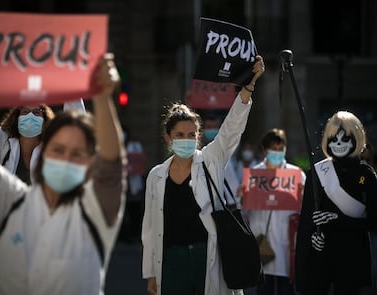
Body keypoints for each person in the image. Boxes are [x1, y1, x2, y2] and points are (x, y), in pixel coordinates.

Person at [0, 53, 126, 295]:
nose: (63, 159)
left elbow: (109, 164)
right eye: (58, 151)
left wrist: (99, 97)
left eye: (72, 154)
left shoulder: (93, 208)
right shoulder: (11, 192)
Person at [141, 55, 265, 295]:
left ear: (198, 136)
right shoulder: (156, 176)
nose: (186, 140)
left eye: (191, 134)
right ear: (167, 138)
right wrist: (151, 273)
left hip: (206, 257)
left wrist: (248, 87)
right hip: (171, 262)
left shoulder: (211, 159)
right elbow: (149, 229)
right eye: (179, 135)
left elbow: (232, 129)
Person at [295, 110, 377, 295]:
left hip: (353, 257)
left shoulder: (366, 175)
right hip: (321, 256)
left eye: (344, 139)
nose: (338, 144)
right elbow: (307, 221)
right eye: (334, 139)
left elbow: (373, 221)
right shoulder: (317, 173)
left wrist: (338, 219)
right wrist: (312, 239)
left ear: (357, 138)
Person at [244, 128, 306, 295]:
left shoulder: (296, 174)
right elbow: (245, 210)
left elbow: (304, 208)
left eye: (280, 149)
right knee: (264, 288)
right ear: (264, 150)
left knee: (287, 289)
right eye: (273, 149)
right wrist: (244, 197)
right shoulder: (255, 174)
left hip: (286, 244)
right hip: (263, 244)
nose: (277, 153)